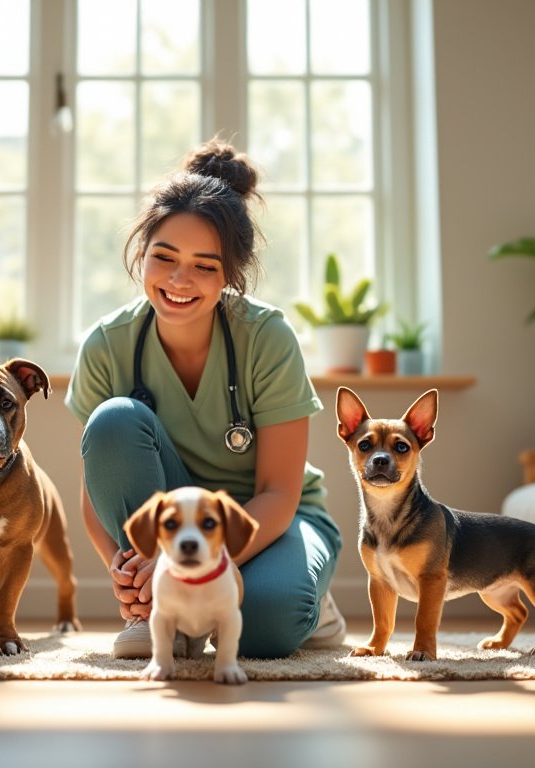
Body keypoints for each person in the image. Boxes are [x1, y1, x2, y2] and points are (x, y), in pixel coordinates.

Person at [64, 138, 345, 659]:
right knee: (113, 421)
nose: (178, 280)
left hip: (272, 521)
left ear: (230, 275)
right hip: (171, 532)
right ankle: (156, 612)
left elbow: (280, 493)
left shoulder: (266, 337)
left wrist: (187, 563)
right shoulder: (108, 344)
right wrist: (131, 574)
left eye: (205, 266)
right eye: (163, 257)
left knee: (266, 629)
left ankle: (309, 602)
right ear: (141, 254)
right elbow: (94, 497)